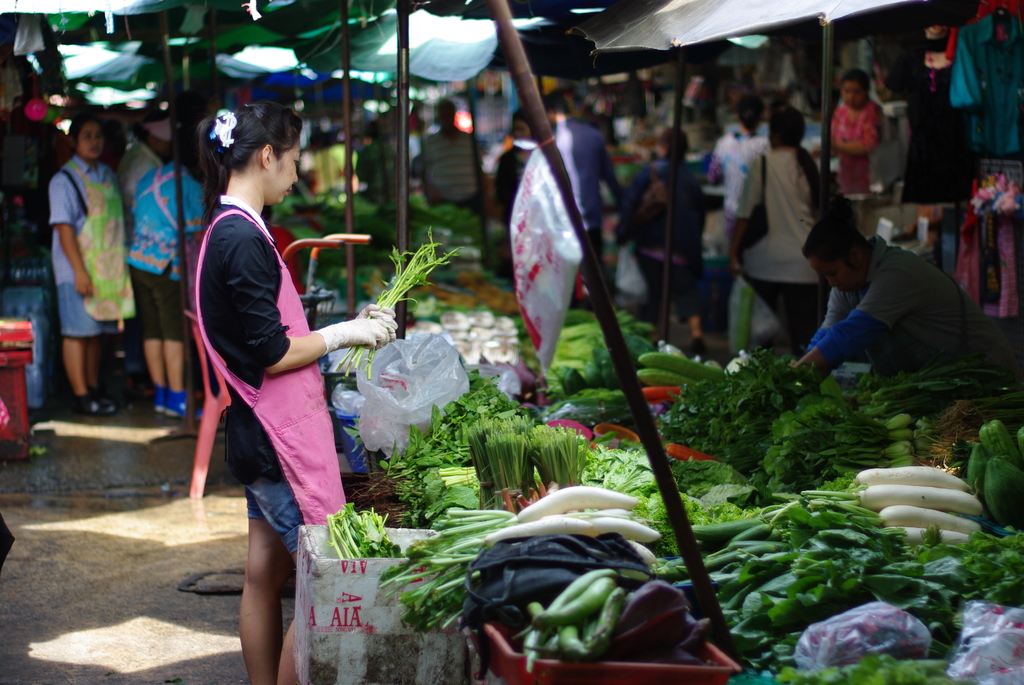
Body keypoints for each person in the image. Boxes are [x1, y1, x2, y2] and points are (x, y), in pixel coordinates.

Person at [195, 102, 397, 685]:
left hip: (260, 437)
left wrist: (345, 328)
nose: (296, 170)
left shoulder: (232, 227)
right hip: (278, 444)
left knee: (264, 571)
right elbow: (275, 352)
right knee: (321, 585)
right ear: (266, 156)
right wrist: (342, 333)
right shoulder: (240, 238)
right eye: (293, 158)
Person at [797, 195, 1022, 381]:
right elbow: (829, 330)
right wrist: (804, 363)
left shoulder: (898, 272)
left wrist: (798, 371)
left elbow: (854, 331)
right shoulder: (848, 284)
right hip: (943, 383)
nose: (830, 283)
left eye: (831, 273)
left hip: (985, 376)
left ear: (854, 256)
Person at [48, 113, 135, 416]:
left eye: (98, 135)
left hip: (107, 271)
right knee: (77, 332)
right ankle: (81, 396)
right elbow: (63, 228)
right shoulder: (64, 180)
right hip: (77, 270)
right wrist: (80, 271)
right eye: (87, 136)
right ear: (72, 141)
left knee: (97, 333)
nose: (95, 142)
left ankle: (94, 388)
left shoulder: (107, 175)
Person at [730, 107, 820, 355]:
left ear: (776, 136)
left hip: (765, 262)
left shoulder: (763, 164)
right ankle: (808, 389)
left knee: (760, 339)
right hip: (806, 264)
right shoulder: (808, 166)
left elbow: (744, 214)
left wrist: (733, 253)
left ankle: (761, 390)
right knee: (805, 341)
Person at [128, 128, 204, 417]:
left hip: (137, 261)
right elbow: (199, 235)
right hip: (166, 267)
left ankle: (160, 394)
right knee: (173, 331)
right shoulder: (189, 186)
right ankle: (177, 398)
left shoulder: (148, 178)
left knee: (152, 330)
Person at [617, 128, 706, 354]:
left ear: (664, 147)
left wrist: (623, 234)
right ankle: (697, 333)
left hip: (652, 245)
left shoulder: (651, 171)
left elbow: (630, 205)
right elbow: (700, 214)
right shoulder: (689, 178)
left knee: (653, 296)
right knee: (686, 290)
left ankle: (653, 339)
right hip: (682, 248)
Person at [884, 26, 974, 204]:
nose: (936, 23)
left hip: (955, 141)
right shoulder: (910, 57)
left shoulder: (962, 52)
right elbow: (894, 84)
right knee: (924, 209)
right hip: (923, 147)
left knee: (958, 203)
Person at [545, 92, 623, 258]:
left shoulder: (554, 139)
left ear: (551, 112)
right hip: (592, 216)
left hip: (565, 221)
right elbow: (609, 178)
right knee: (595, 269)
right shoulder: (593, 135)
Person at [708, 94, 770, 242]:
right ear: (761, 117)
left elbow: (713, 178)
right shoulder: (765, 145)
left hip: (731, 215)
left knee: (734, 254)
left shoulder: (723, 143)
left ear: (737, 116)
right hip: (757, 215)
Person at [494, 110, 535, 278]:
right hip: (514, 223)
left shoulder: (545, 156)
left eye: (522, 129)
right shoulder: (507, 159)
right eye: (515, 129)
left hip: (540, 225)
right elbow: (501, 193)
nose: (517, 134)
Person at [420, 99, 481, 212]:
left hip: (472, 197)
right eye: (444, 115)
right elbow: (423, 171)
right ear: (439, 116)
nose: (447, 118)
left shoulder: (469, 139)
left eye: (449, 114)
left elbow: (479, 167)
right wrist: (430, 191)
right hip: (442, 200)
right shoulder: (430, 141)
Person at [831, 68, 882, 195]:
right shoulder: (840, 113)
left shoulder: (872, 112)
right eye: (846, 91)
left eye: (857, 92)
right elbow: (833, 142)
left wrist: (836, 145)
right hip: (845, 176)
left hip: (870, 176)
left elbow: (867, 146)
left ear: (866, 92)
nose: (851, 97)